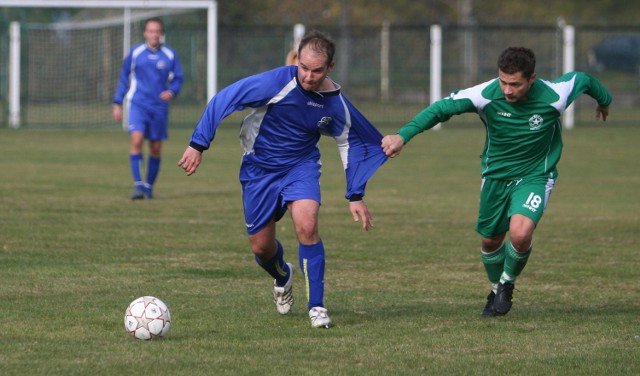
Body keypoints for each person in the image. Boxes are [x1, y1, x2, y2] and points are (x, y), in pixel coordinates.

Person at [381, 46, 612, 317]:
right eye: (503, 81)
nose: (507, 90)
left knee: (520, 233)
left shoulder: (555, 96)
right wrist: (402, 135)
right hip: (495, 177)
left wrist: (604, 100)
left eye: (515, 84)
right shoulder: (484, 95)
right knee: (491, 240)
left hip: (535, 175)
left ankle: (506, 284)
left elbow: (584, 79)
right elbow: (441, 109)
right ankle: (495, 287)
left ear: (532, 79)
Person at [178, 31, 387, 328]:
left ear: (330, 67)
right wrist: (198, 144)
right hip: (259, 170)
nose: (308, 76)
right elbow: (226, 98)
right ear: (297, 59)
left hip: (300, 167)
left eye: (316, 70)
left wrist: (355, 194)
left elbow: (352, 141)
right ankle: (282, 275)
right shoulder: (277, 82)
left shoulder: (335, 103)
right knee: (262, 249)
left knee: (307, 223)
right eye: (303, 67)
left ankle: (317, 306)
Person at [113, 17, 184, 200]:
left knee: (155, 148)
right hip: (138, 104)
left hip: (159, 107)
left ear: (162, 34)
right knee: (136, 141)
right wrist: (117, 102)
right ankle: (137, 185)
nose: (154, 35)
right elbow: (124, 77)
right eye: (150, 31)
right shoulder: (136, 53)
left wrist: (172, 92)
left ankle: (148, 187)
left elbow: (178, 78)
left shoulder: (169, 54)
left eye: (157, 31)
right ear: (145, 33)